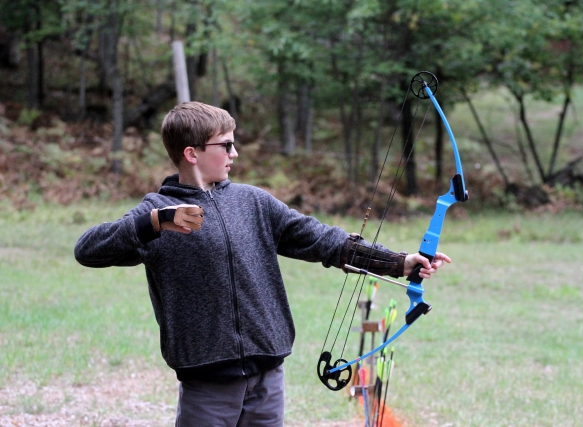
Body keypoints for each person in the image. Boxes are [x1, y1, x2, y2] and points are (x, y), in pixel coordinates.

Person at [74, 102, 451, 427]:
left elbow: (321, 239)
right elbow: (87, 250)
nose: (235, 153)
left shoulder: (252, 202)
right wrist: (152, 223)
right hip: (207, 385)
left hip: (267, 379)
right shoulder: (156, 213)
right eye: (226, 145)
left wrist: (397, 262)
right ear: (192, 153)